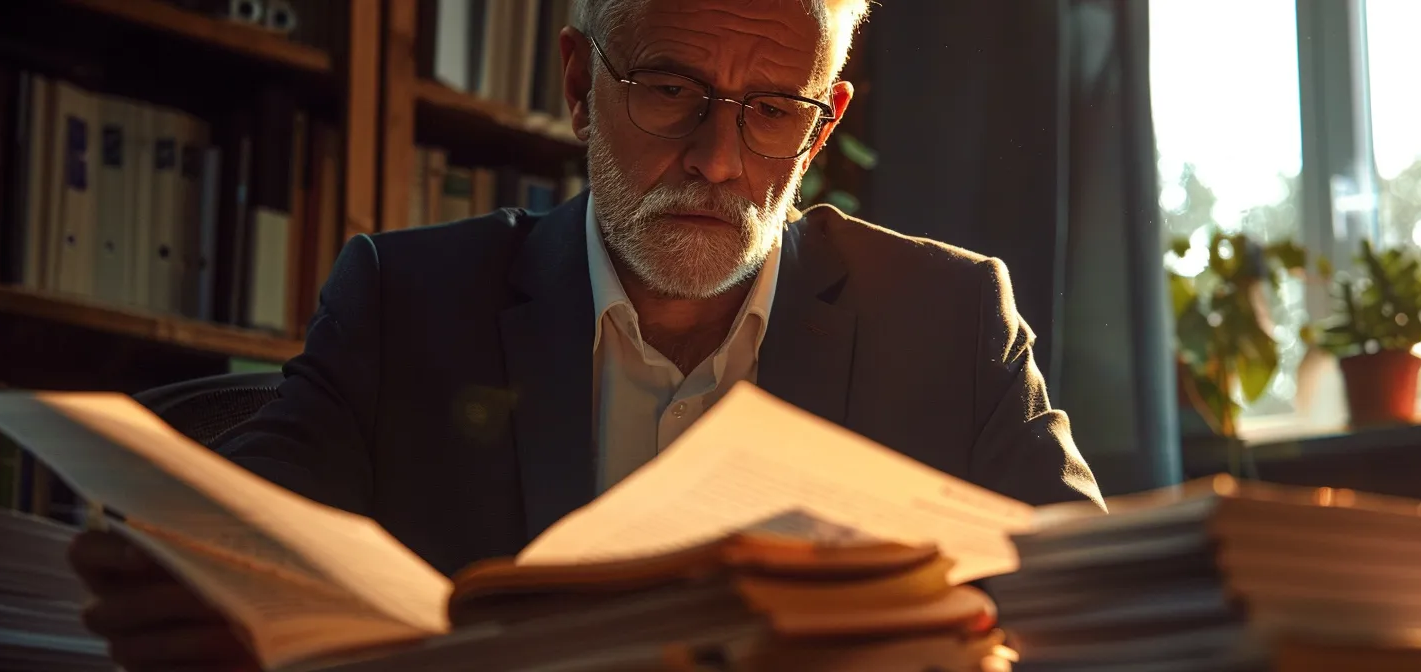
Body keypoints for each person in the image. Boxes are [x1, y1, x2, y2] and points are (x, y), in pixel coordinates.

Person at [68, 0, 1105, 669]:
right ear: (577, 82)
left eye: (770, 110)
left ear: (824, 123)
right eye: (670, 91)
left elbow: (1109, 609)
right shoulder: (405, 303)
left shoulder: (951, 318)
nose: (715, 158)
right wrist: (194, 588)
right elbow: (243, 544)